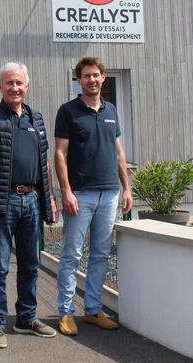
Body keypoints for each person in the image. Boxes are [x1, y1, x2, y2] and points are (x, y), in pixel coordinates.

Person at [0, 62, 59, 349]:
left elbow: (44, 163)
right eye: (9, 83)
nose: (14, 87)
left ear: (27, 86)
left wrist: (50, 198)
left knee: (31, 264)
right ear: (0, 87)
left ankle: (26, 318)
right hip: (0, 202)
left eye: (19, 82)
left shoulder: (37, 119)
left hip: (31, 200)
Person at [54, 56, 133, 335]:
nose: (92, 80)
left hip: (110, 193)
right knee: (72, 254)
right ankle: (65, 313)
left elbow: (119, 152)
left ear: (103, 78)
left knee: (100, 254)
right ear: (79, 80)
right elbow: (60, 154)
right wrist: (66, 191)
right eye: (86, 76)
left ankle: (92, 310)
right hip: (80, 195)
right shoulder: (68, 111)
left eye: (96, 75)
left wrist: (127, 188)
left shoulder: (111, 109)